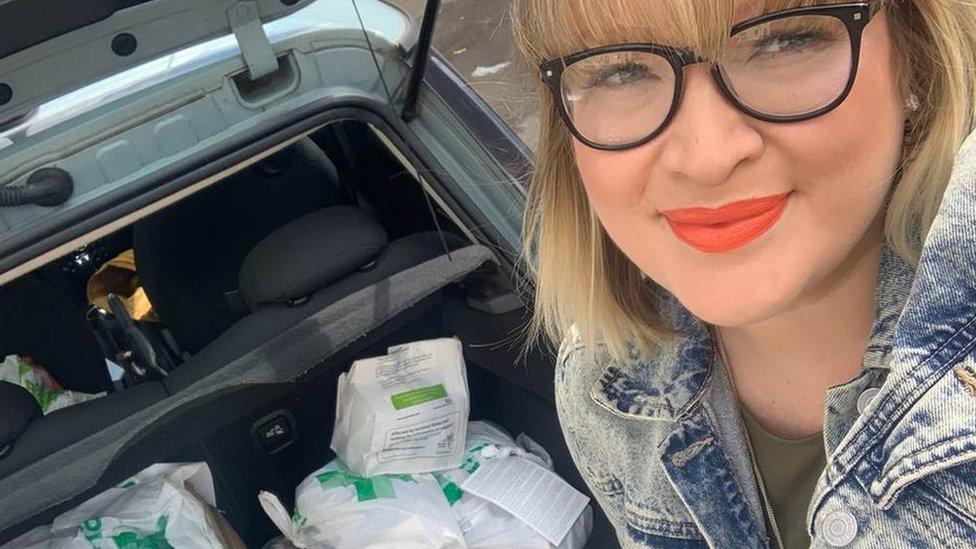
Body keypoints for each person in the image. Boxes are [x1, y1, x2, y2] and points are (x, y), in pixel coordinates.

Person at [512, 1, 976, 547]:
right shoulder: (604, 384)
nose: (707, 158)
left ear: (917, 59)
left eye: (785, 42)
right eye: (622, 72)